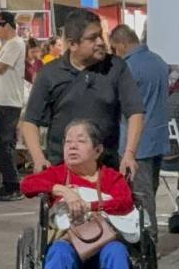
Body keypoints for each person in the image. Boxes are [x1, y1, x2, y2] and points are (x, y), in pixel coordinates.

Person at [20, 120, 144, 269]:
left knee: (118, 252)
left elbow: (125, 201)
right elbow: (28, 185)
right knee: (57, 251)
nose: (72, 147)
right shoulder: (58, 174)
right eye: (68, 142)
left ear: (97, 151)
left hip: (104, 245)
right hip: (71, 245)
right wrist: (62, 190)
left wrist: (89, 205)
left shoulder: (110, 178)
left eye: (80, 141)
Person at [21, 11, 143, 178]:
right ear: (72, 44)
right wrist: (38, 158)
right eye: (92, 38)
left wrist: (129, 154)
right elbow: (30, 122)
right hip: (61, 173)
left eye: (101, 35)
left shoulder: (116, 67)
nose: (101, 42)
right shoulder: (49, 73)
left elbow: (135, 112)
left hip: (106, 172)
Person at [109, 24, 172, 227]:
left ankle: (149, 243)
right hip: (158, 138)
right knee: (150, 191)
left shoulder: (127, 68)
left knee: (140, 196)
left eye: (114, 49)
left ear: (122, 44)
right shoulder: (159, 62)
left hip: (135, 142)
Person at [0, 12, 30, 201]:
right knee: (1, 144)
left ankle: (13, 186)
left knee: (4, 145)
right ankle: (7, 184)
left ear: (8, 26)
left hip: (9, 102)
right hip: (1, 101)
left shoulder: (15, 44)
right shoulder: (6, 46)